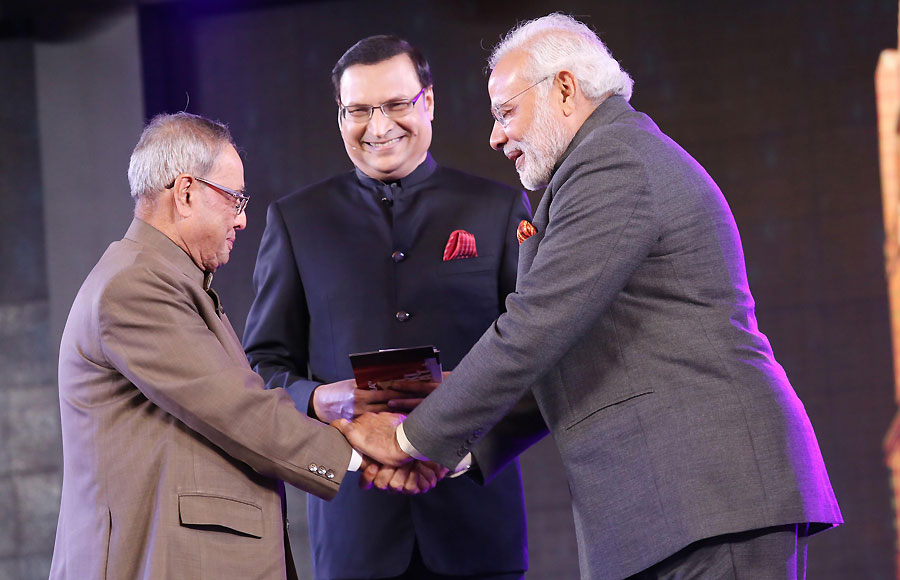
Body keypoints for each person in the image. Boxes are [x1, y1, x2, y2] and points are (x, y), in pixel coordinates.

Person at [335, 14, 844, 580]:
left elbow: (533, 328)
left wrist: (410, 437)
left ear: (565, 89)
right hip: (678, 510)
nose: (495, 135)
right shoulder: (598, 166)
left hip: (710, 497)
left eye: (505, 112)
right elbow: (562, 354)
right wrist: (455, 451)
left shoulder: (614, 161)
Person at [49, 112, 440, 580]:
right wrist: (365, 446)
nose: (243, 218)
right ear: (187, 193)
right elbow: (240, 411)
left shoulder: (164, 279)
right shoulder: (136, 286)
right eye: (235, 199)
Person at [243, 36, 533, 580]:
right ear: (340, 116)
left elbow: (539, 354)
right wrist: (314, 399)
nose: (379, 128)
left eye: (396, 105)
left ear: (428, 103)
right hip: (355, 534)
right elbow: (260, 367)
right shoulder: (297, 221)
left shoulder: (495, 208)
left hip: (477, 528)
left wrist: (465, 451)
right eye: (358, 111)